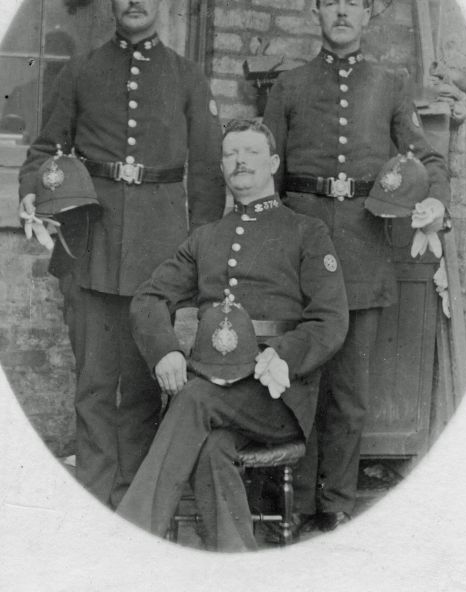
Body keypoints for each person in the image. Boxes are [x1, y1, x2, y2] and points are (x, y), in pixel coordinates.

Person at [18, 0, 225, 508]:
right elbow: (43, 153)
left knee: (140, 383)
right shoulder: (82, 71)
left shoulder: (186, 76)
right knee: (91, 381)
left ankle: (133, 500)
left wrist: (200, 256)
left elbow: (205, 174)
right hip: (90, 239)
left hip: (159, 244)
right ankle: (93, 491)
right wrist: (33, 194)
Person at [262, 0, 450, 531]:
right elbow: (266, 172)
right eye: (330, 4)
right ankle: (289, 505)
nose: (341, 13)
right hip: (299, 250)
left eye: (352, 4)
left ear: (367, 15)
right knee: (296, 382)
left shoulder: (388, 86)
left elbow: (429, 159)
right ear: (314, 14)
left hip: (366, 252)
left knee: (349, 393)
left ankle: (337, 505)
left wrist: (436, 199)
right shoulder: (288, 87)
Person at [116, 120, 349, 551]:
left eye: (251, 152)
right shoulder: (206, 238)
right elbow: (149, 298)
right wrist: (164, 351)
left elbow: (330, 321)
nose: (239, 160)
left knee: (195, 399)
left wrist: (284, 355)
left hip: (276, 394)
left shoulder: (307, 233)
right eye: (230, 154)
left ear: (274, 163)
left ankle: (131, 541)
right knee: (210, 447)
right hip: (214, 394)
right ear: (222, 167)